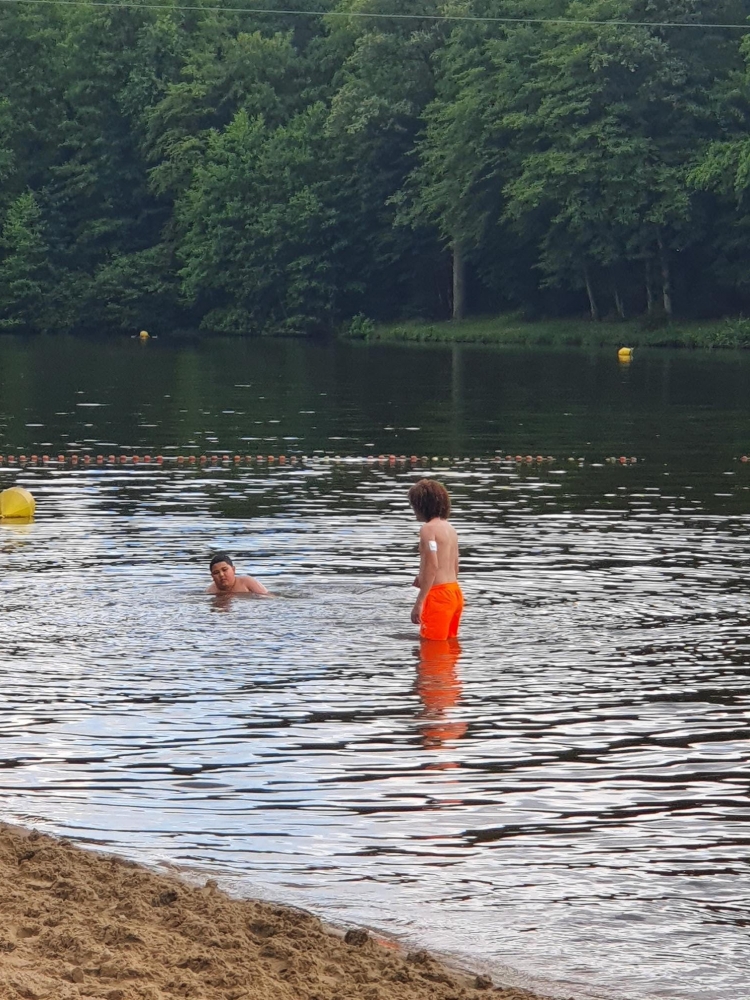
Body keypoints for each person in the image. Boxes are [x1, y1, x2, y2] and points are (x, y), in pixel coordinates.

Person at [408, 479, 463, 640]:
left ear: (422, 505)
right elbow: (455, 567)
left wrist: (419, 603)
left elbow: (433, 565)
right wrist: (422, 578)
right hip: (454, 593)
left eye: (414, 506)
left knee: (431, 646)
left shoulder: (428, 529)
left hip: (438, 597)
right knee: (449, 645)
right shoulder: (450, 529)